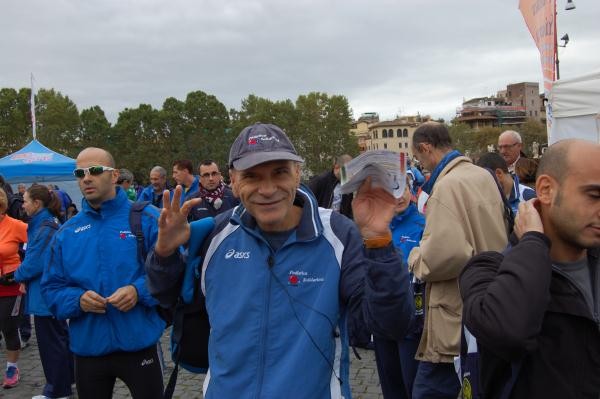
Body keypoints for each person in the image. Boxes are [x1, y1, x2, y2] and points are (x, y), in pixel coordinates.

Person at [146, 123, 415, 399]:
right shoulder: (215, 234)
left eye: (280, 172)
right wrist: (164, 253)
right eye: (252, 176)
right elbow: (165, 299)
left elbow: (389, 325)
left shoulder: (339, 234)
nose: (267, 189)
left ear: (297, 174)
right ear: (234, 181)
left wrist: (378, 239)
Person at [460, 139, 600, 398]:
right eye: (593, 196)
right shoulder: (486, 270)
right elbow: (508, 331)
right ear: (545, 190)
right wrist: (533, 241)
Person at [41, 148, 165, 399]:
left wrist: (137, 291)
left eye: (95, 170)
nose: (86, 178)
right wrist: (77, 300)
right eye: (79, 173)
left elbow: (171, 273)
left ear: (114, 175)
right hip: (89, 349)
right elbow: (50, 289)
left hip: (139, 343)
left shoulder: (149, 218)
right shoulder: (67, 232)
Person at [407, 122, 508, 399]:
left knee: (429, 390)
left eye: (419, 157)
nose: (421, 164)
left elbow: (444, 256)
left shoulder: (447, 186)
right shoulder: (483, 175)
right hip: (489, 297)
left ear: (426, 148)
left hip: (455, 310)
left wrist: (415, 257)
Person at [14, 184, 74, 399]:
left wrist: (15, 274)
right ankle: (66, 381)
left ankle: (57, 390)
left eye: (26, 201)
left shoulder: (45, 227)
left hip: (46, 295)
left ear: (37, 204)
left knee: (51, 344)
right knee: (60, 339)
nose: (23, 205)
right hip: (48, 293)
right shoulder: (46, 223)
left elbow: (34, 262)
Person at [373, 171, 426, 399]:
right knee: (391, 389)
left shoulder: (424, 224)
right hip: (382, 322)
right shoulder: (374, 228)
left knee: (412, 387)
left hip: (411, 323)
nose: (400, 196)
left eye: (403, 189)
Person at [0, 187, 27, 388]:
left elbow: (35, 248)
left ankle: (12, 367)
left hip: (10, 286)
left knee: (8, 327)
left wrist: (22, 273)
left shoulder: (16, 225)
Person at [307, 154, 354, 219]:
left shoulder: (347, 185)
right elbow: (306, 201)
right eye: (346, 171)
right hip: (321, 223)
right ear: (337, 167)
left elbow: (349, 209)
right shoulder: (320, 181)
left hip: (339, 224)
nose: (349, 175)